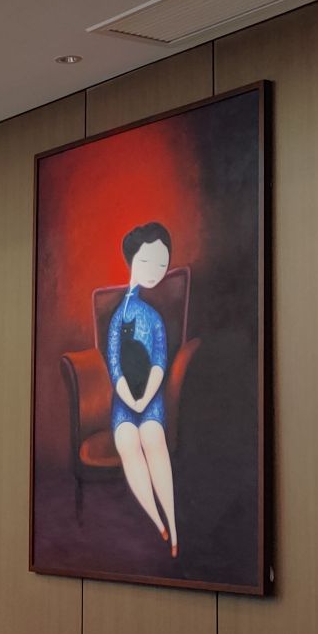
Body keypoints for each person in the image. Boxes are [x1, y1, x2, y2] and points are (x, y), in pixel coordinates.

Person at [105, 221, 178, 556]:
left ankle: (173, 525)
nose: (154, 271)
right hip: (124, 400)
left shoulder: (154, 317)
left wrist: (146, 398)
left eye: (161, 264)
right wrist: (129, 400)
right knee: (127, 442)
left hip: (151, 396)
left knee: (153, 437)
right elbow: (114, 363)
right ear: (132, 260)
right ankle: (157, 520)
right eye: (147, 261)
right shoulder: (117, 317)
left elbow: (160, 359)